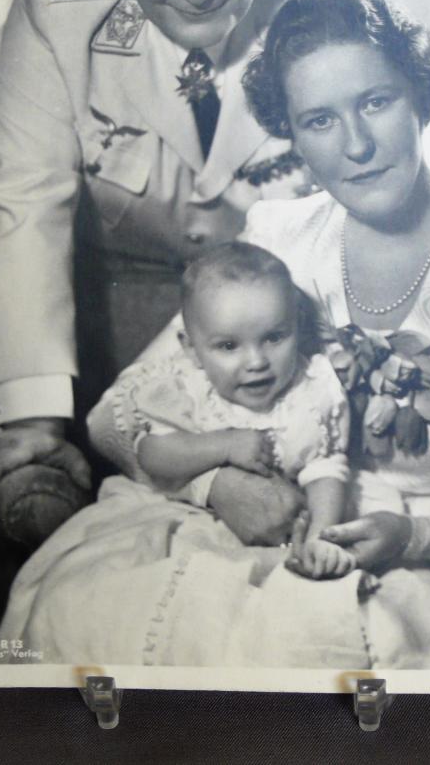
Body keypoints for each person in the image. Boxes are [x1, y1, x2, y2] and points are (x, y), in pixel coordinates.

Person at [0, 0, 430, 670]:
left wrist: (415, 538)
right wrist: (216, 486)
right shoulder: (277, 234)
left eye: (376, 102)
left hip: (424, 570)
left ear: (419, 94)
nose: (356, 145)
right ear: (293, 136)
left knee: (305, 649)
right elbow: (114, 418)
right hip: (237, 531)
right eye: (319, 121)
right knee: (83, 607)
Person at [0, 0, 387, 522]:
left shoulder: (339, 8)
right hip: (108, 338)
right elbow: (19, 207)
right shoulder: (54, 12)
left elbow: (389, 203)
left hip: (293, 344)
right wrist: (35, 418)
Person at [87, 242, 355, 580]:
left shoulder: (311, 392)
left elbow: (325, 469)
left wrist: (321, 537)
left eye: (274, 337)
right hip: (188, 521)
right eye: (229, 346)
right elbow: (152, 454)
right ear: (192, 350)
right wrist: (223, 445)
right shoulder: (187, 389)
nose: (256, 362)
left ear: (297, 329)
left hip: (283, 536)